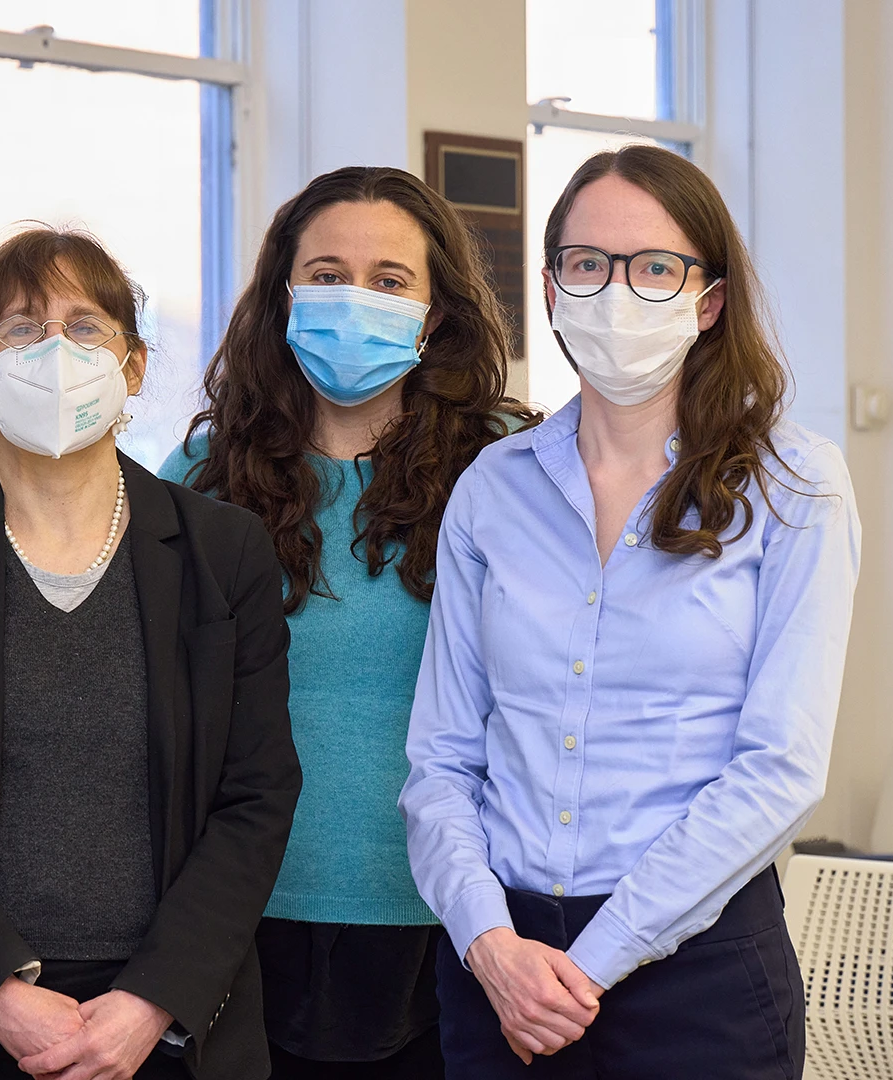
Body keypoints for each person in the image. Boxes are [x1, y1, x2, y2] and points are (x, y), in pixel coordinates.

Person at [401, 145, 861, 1078]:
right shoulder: (495, 487)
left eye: (656, 267)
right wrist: (489, 943)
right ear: (551, 287)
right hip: (502, 973)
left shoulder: (794, 483)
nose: (618, 293)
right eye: (588, 265)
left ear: (710, 298)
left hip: (696, 975)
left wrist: (596, 958)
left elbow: (780, 769)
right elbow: (441, 759)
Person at [0, 226, 302, 1080]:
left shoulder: (224, 552)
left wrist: (153, 1000)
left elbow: (256, 798)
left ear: (135, 368)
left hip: (161, 1028)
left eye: (85, 328)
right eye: (23, 329)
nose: (55, 351)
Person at [161, 165, 536, 1078]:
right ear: (283, 293)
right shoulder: (202, 474)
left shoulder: (509, 469)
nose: (354, 299)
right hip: (242, 916)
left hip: (455, 924)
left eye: (389, 280)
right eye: (326, 275)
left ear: (436, 311)